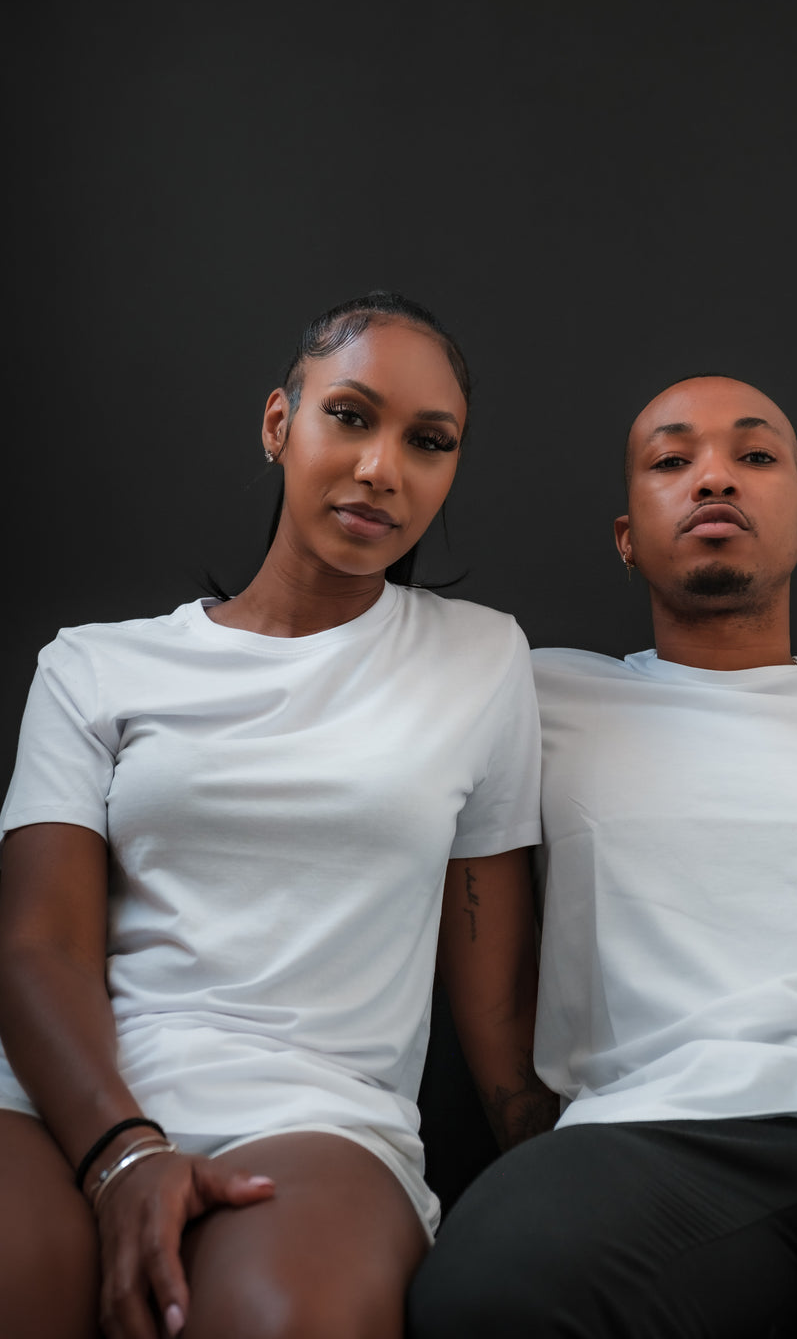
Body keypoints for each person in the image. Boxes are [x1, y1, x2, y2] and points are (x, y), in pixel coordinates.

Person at [0, 291, 553, 1339]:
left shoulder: (481, 661)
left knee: (280, 1316)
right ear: (276, 424)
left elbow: (497, 1006)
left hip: (315, 1116)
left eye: (428, 442)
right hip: (70, 1100)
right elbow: (37, 948)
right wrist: (123, 1150)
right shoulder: (95, 666)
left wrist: (577, 1189)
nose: (383, 467)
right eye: (350, 415)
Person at [407, 374, 797, 1337]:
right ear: (627, 537)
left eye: (754, 456)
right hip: (648, 1140)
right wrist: (531, 1133)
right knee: (485, 1298)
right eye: (672, 461)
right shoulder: (533, 695)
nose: (714, 477)